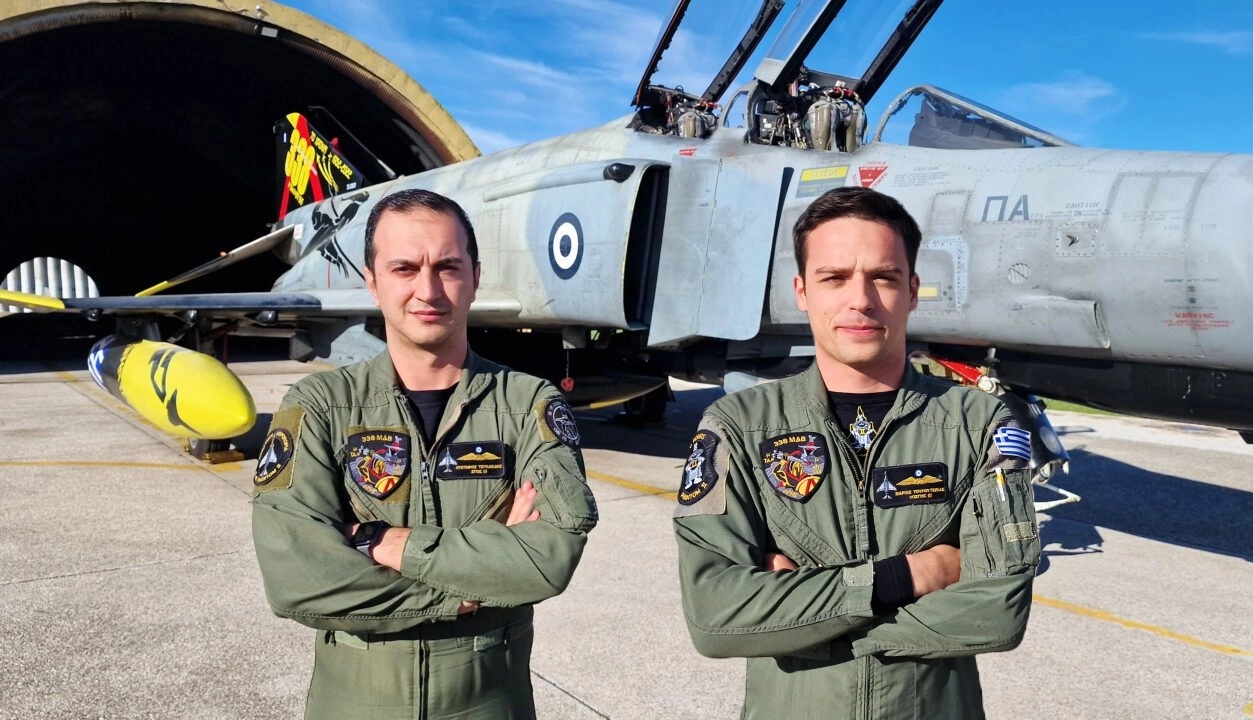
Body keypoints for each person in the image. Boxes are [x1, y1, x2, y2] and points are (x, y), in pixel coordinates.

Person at [673, 186, 1039, 719]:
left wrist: (802, 615)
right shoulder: (739, 426)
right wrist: (909, 576)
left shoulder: (979, 423)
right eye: (834, 277)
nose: (861, 300)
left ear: (912, 291)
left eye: (883, 277)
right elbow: (715, 617)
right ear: (802, 291)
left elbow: (998, 613)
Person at [251, 188, 597, 719]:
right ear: (373, 281)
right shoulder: (320, 405)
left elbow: (546, 560)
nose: (428, 290)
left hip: (489, 705)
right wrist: (465, 591)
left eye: (448, 267)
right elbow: (296, 579)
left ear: (475, 278)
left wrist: (376, 541)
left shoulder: (529, 403)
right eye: (405, 268)